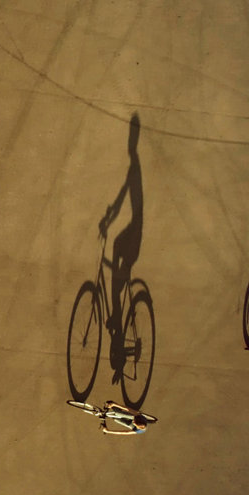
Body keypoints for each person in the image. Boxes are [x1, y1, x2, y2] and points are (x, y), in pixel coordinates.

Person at [99, 115, 143, 383]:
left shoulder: (134, 167)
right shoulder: (134, 166)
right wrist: (110, 216)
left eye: (131, 137)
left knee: (116, 258)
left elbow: (122, 197)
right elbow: (119, 199)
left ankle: (117, 320)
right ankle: (116, 318)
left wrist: (109, 218)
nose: (129, 142)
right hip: (133, 230)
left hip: (135, 233)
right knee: (116, 267)